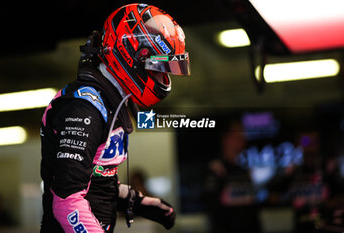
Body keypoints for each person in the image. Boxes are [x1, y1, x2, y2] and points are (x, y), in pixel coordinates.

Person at [39, 3, 190, 233]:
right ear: (133, 56)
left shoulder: (111, 99)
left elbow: (98, 180)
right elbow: (66, 201)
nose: (163, 76)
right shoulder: (83, 109)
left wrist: (138, 202)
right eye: (160, 66)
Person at [204, 120, 259, 233]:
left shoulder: (244, 171)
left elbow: (252, 210)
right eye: (236, 136)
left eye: (242, 136)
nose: (241, 140)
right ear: (225, 139)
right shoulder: (215, 169)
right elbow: (211, 206)